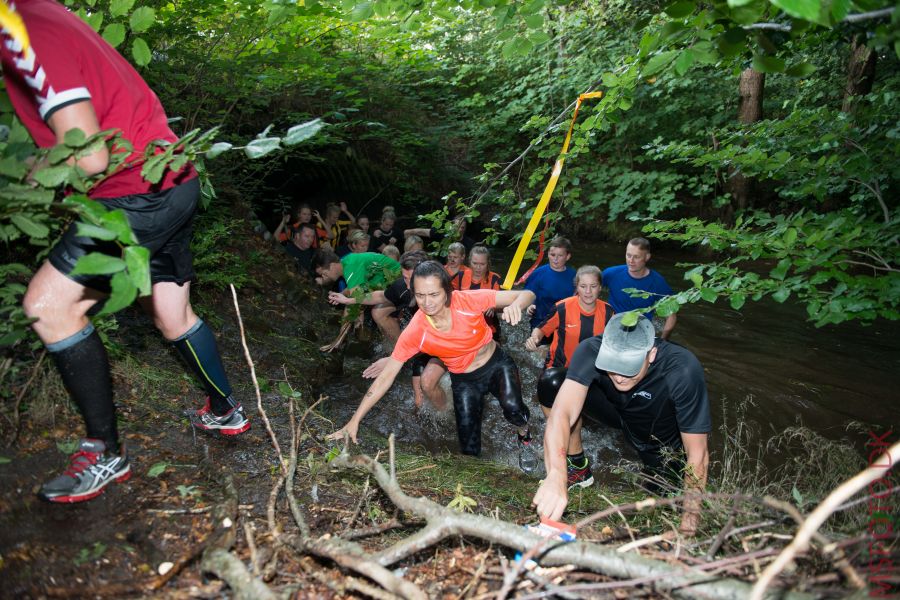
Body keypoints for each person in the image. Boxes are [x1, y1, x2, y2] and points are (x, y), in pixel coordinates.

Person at [1, 0, 250, 503]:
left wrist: (30, 180)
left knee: (50, 306)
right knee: (172, 313)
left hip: (134, 191)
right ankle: (226, 412)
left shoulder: (19, 29)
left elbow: (89, 152)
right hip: (170, 176)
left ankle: (106, 454)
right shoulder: (41, 13)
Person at [327, 261, 538, 471]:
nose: (427, 303)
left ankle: (524, 436)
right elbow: (386, 377)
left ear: (447, 291)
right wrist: (354, 421)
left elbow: (527, 294)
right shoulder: (416, 331)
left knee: (513, 409)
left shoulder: (465, 300)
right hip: (464, 380)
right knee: (470, 450)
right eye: (420, 295)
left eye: (434, 294)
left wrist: (515, 306)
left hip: (496, 364)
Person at [532, 313, 711, 535]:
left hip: (656, 434)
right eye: (612, 365)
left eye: (629, 367)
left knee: (663, 501)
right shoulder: (591, 349)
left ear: (651, 354)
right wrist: (557, 475)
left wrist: (690, 524)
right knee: (552, 382)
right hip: (616, 411)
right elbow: (562, 413)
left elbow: (698, 453)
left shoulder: (682, 369)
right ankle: (578, 467)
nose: (618, 377)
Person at [524, 266, 614, 488]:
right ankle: (568, 464)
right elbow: (541, 329)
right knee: (561, 420)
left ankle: (573, 467)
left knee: (572, 420)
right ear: (576, 287)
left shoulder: (610, 314)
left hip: (589, 376)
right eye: (583, 286)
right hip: (557, 372)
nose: (588, 291)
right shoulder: (562, 308)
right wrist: (533, 339)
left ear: (600, 288)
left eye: (593, 286)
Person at [328, 251, 446, 410]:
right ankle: (444, 413)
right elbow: (379, 296)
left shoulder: (437, 298)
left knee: (427, 383)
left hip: (444, 345)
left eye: (411, 278)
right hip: (422, 347)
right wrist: (350, 299)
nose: (407, 283)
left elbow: (434, 338)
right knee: (419, 401)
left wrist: (395, 358)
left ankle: (448, 413)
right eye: (404, 277)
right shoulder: (402, 287)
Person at [603, 237, 676, 339]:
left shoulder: (658, 283)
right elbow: (588, 288)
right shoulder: (611, 274)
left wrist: (662, 342)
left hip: (640, 333)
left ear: (647, 257)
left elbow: (671, 316)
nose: (631, 261)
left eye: (636, 257)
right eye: (628, 255)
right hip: (612, 328)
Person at [524, 237, 576, 329]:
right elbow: (526, 295)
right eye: (552, 255)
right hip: (540, 321)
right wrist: (529, 306)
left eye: (560, 256)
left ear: (567, 256)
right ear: (548, 254)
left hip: (564, 323)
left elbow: (577, 298)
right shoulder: (537, 274)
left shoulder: (574, 276)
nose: (555, 259)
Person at [314, 247, 400, 291]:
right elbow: (356, 288)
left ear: (332, 266)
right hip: (391, 281)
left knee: (377, 313)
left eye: (324, 274)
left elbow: (355, 300)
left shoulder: (350, 267)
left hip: (400, 280)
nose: (324, 277)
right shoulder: (346, 262)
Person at [405, 215, 475, 253]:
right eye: (457, 227)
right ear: (452, 226)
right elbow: (423, 232)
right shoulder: (443, 235)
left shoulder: (469, 243)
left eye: (462, 227)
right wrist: (408, 232)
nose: (459, 230)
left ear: (465, 228)